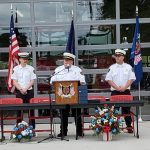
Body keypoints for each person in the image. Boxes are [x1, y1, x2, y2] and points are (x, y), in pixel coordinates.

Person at [50, 52, 86, 137]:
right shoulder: (59, 69)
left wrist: (78, 81)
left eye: (68, 60)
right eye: (65, 60)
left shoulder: (77, 69)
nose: (66, 62)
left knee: (76, 114)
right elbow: (52, 80)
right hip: (62, 97)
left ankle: (79, 132)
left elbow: (83, 81)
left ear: (72, 61)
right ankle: (63, 132)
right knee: (63, 114)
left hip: (74, 96)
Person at [105, 49, 136, 133]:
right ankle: (113, 127)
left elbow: (131, 79)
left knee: (126, 110)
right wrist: (117, 87)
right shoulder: (112, 67)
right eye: (116, 56)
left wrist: (124, 87)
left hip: (126, 91)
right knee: (113, 110)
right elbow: (108, 79)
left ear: (123, 57)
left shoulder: (128, 67)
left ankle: (129, 127)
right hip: (115, 92)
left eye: (119, 56)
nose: (117, 57)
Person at [11, 52, 37, 129]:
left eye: (26, 59)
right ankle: (18, 128)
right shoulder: (15, 69)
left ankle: (32, 128)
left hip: (29, 91)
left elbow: (32, 81)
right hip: (19, 92)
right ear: (20, 59)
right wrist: (21, 89)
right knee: (19, 110)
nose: (25, 60)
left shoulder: (31, 68)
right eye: (23, 59)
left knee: (31, 110)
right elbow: (14, 81)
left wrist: (25, 89)